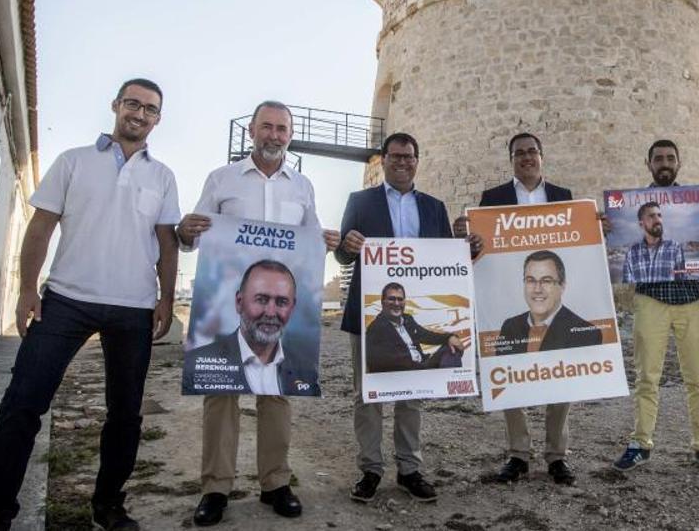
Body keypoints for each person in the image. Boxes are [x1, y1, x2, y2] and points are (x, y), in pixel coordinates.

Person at [0, 79, 179, 531]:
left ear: (158, 119)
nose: (139, 114)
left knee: (125, 414)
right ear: (116, 106)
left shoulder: (162, 177)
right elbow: (41, 227)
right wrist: (28, 289)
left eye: (149, 109)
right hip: (66, 300)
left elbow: (167, 242)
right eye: (133, 104)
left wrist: (166, 297)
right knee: (22, 404)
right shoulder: (75, 162)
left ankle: (108, 505)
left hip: (133, 307)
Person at [177, 100, 339, 524]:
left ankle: (275, 483)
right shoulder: (221, 178)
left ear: (290, 135)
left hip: (275, 309)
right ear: (251, 131)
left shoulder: (301, 187)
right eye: (267, 127)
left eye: (282, 129)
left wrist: (329, 241)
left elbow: (310, 242)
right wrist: (185, 230)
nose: (274, 135)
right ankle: (215, 488)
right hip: (227, 306)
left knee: (276, 394)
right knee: (221, 395)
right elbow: (192, 238)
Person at [336, 132, 478, 503]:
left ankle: (409, 469)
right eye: (395, 156)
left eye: (409, 156)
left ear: (417, 160)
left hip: (409, 315)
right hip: (369, 317)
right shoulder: (360, 201)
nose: (402, 162)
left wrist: (467, 245)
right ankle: (370, 469)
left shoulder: (434, 207)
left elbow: (449, 260)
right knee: (367, 395)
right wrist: (347, 246)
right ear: (383, 160)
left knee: (412, 393)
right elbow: (341, 256)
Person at [461, 133, 583, 486]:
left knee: (563, 376)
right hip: (510, 296)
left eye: (532, 151)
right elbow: (481, 250)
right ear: (511, 159)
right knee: (509, 371)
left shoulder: (563, 197)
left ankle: (557, 456)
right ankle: (518, 454)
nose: (526, 157)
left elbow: (576, 246)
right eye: (519, 153)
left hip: (552, 300)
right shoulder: (493, 198)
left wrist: (596, 229)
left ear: (542, 156)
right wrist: (472, 243)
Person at [612, 140, 699, 477]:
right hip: (651, 301)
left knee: (698, 377)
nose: (665, 163)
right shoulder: (631, 216)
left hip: (691, 301)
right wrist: (606, 229)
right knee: (646, 376)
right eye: (658, 159)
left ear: (678, 163)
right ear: (649, 163)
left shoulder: (690, 216)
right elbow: (619, 259)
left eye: (670, 158)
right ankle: (640, 443)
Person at [181, 260, 320, 395]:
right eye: (261, 300)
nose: (271, 313)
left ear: (292, 307)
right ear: (239, 302)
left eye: (282, 302)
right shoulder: (196, 366)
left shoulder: (306, 368)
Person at [494, 250, 602, 354]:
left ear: (562, 286)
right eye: (531, 280)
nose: (537, 289)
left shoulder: (587, 333)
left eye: (546, 281)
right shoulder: (509, 327)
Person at [364, 282, 467, 373]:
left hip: (422, 367)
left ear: (404, 302)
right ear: (383, 302)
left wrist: (449, 337)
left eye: (400, 299)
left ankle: (448, 389)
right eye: (392, 299)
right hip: (403, 376)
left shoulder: (407, 319)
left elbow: (426, 335)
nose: (396, 303)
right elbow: (386, 362)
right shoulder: (376, 328)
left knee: (452, 348)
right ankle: (442, 388)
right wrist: (423, 367)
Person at [622, 202, 686, 283]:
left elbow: (683, 282)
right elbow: (627, 286)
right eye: (652, 216)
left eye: (659, 215)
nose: (657, 220)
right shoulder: (631, 253)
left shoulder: (675, 248)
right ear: (641, 224)